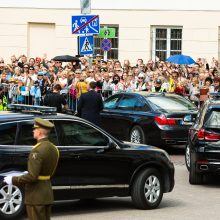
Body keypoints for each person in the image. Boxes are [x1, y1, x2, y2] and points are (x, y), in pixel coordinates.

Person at [4, 118, 60, 220]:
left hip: (35, 195)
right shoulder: (54, 148)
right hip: (47, 192)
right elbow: (50, 172)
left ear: (39, 132)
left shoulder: (37, 150)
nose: (33, 131)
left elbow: (32, 177)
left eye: (35, 129)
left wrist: (13, 179)